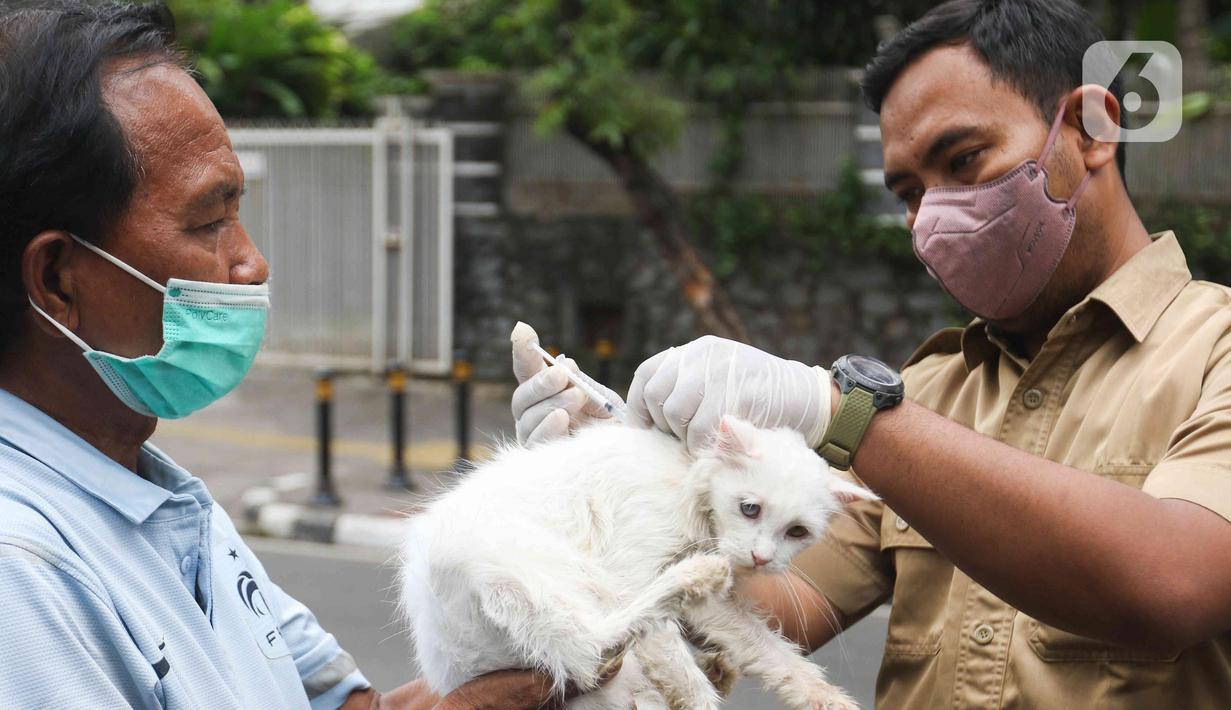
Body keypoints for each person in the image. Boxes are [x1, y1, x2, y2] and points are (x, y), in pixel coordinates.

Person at [513, 0, 1231, 706]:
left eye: (963, 158)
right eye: (908, 193)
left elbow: (1174, 583)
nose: (932, 219)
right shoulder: (930, 391)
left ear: (1089, 128)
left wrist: (845, 413)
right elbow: (771, 607)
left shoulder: (1213, 353)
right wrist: (625, 492)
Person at [0, 3, 582, 708]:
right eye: (209, 220)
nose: (251, 262)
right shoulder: (22, 572)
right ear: (58, 278)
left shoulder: (161, 497)